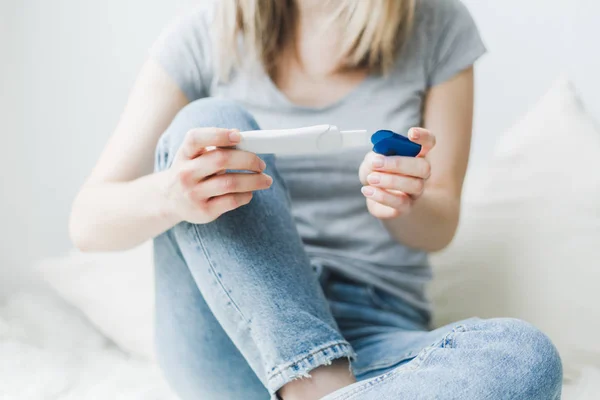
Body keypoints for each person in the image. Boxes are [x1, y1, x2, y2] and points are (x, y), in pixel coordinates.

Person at [69, 0, 563, 399]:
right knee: (212, 117)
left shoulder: (437, 26)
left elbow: (439, 226)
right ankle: (316, 387)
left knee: (522, 356)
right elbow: (87, 222)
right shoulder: (202, 37)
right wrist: (173, 194)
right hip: (237, 340)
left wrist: (401, 201)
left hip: (377, 334)